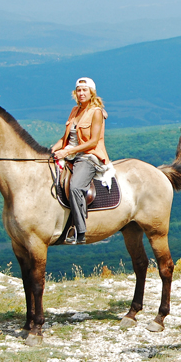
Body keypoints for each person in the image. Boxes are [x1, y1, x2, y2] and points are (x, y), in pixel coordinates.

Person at [51, 77, 110, 245]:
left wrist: (68, 151)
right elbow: (65, 137)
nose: (81, 93)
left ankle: (80, 230)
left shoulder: (96, 112)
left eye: (85, 90)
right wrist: (53, 150)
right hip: (69, 154)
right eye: (79, 90)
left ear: (91, 92)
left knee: (75, 186)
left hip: (89, 156)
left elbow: (93, 141)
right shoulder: (74, 111)